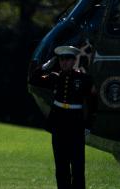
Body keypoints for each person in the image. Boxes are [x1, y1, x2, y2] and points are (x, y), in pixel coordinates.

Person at [29, 46, 97, 189]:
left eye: (67, 59)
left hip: (76, 125)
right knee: (61, 166)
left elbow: (91, 103)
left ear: (73, 61)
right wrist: (45, 66)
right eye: (61, 59)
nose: (64, 62)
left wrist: (88, 124)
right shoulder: (55, 77)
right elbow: (33, 80)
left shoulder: (84, 79)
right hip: (59, 125)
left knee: (78, 167)